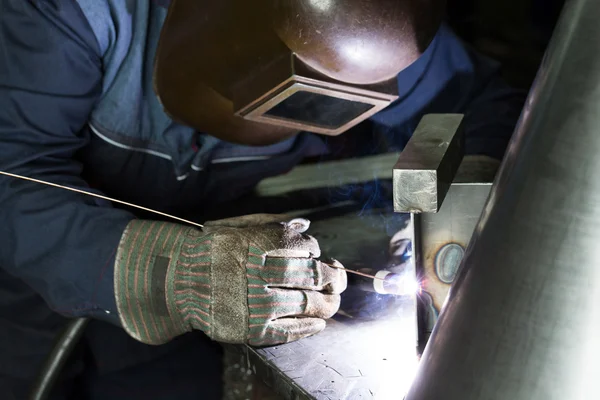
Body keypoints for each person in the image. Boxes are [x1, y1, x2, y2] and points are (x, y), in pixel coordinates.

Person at [0, 0, 524, 399]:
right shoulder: (74, 15)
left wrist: (461, 208)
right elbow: (11, 178)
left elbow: (480, 107)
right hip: (28, 302)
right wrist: (172, 272)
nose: (308, 114)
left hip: (189, 331)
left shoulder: (382, 35)